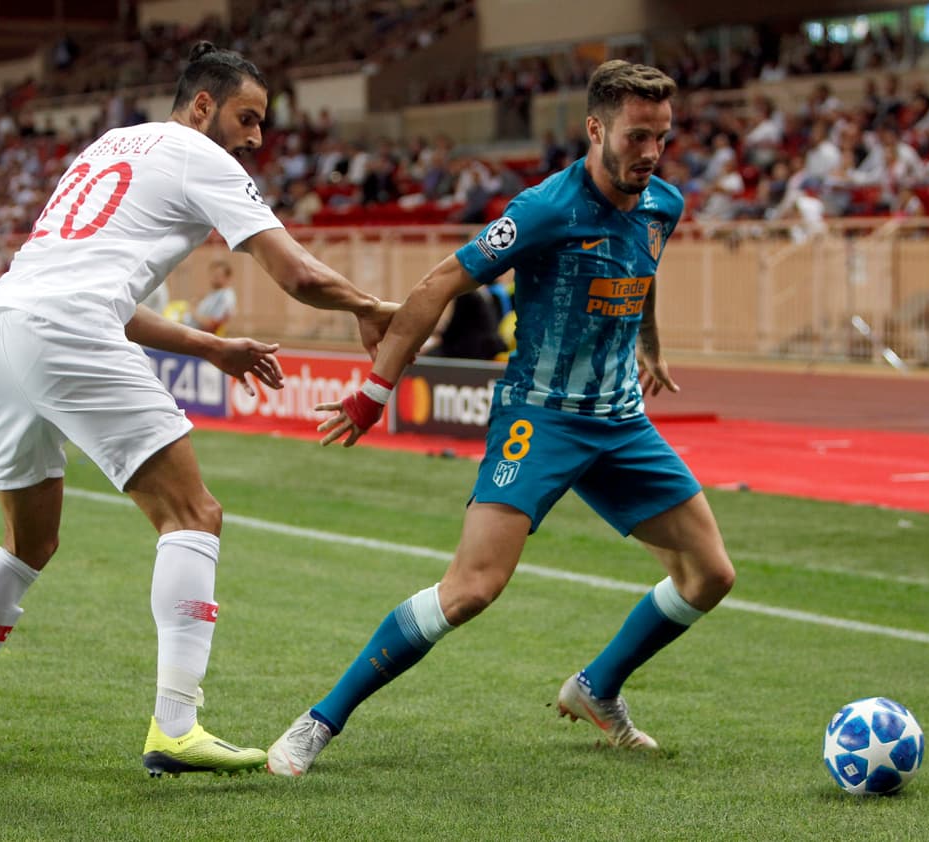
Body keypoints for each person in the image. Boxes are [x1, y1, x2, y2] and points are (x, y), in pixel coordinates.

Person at [0, 42, 396, 778]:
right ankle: (177, 726)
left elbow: (92, 286)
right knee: (193, 515)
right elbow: (295, 272)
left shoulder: (109, 145)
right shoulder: (200, 155)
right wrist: (370, 306)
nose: (256, 137)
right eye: (247, 118)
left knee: (27, 544)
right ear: (203, 106)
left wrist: (209, 346)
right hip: (65, 329)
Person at [265, 60, 735, 777]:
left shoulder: (662, 203)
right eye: (637, 137)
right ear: (596, 129)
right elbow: (438, 284)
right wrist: (374, 393)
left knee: (710, 575)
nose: (650, 153)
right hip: (539, 420)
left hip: (620, 424)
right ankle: (319, 721)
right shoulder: (545, 208)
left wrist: (650, 345)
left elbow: (642, 275)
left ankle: (596, 688)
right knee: (471, 590)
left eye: (661, 138)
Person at [192, 260, 238, 336]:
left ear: (227, 278)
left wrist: (192, 312)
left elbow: (212, 323)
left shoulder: (225, 296)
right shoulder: (216, 293)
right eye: (212, 274)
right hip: (198, 334)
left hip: (204, 337)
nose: (213, 278)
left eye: (217, 275)